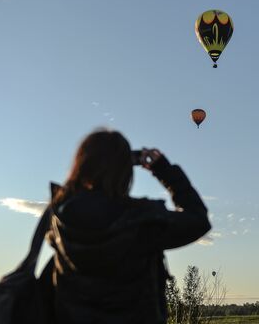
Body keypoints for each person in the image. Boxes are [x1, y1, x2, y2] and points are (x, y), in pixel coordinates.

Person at [42, 129, 211, 324]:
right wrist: (164, 170)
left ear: (81, 166)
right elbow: (197, 219)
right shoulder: (141, 219)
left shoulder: (60, 220)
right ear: (126, 171)